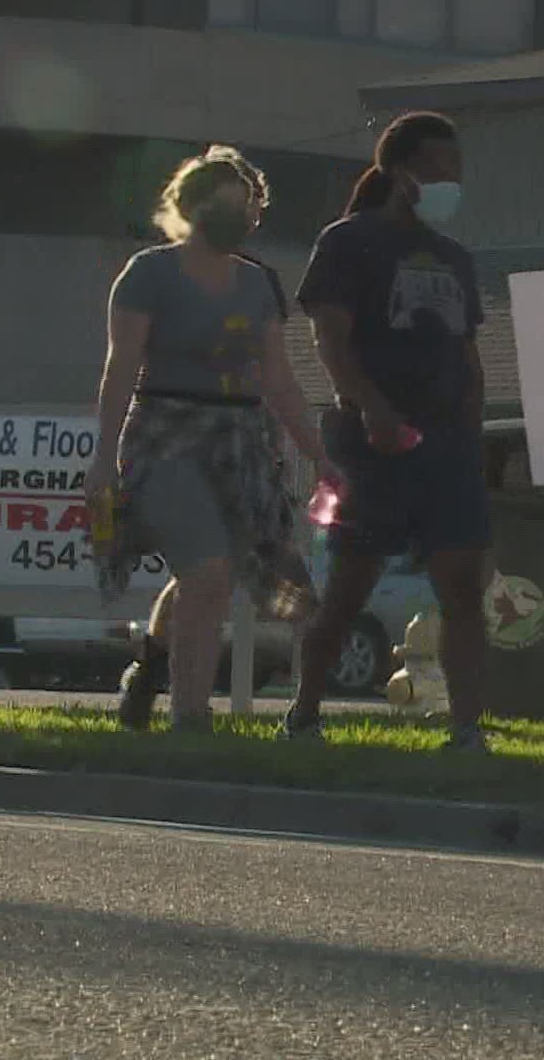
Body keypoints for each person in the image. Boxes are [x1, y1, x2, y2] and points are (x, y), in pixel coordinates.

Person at [91, 146, 326, 734]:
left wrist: (323, 457)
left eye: (246, 208)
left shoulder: (258, 284)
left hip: (241, 441)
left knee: (271, 584)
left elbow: (279, 381)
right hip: (166, 436)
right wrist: (103, 459)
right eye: (224, 206)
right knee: (207, 573)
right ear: (191, 207)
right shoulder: (149, 273)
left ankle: (149, 667)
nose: (240, 218)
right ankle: (190, 721)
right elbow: (121, 368)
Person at [278, 112, 493, 752]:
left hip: (446, 447)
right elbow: (329, 340)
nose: (452, 182)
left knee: (462, 589)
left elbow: (469, 354)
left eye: (457, 170)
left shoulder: (456, 257)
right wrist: (371, 407)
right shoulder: (348, 242)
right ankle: (304, 714)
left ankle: (466, 730)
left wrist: (472, 441)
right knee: (350, 589)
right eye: (439, 170)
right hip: (373, 444)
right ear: (403, 176)